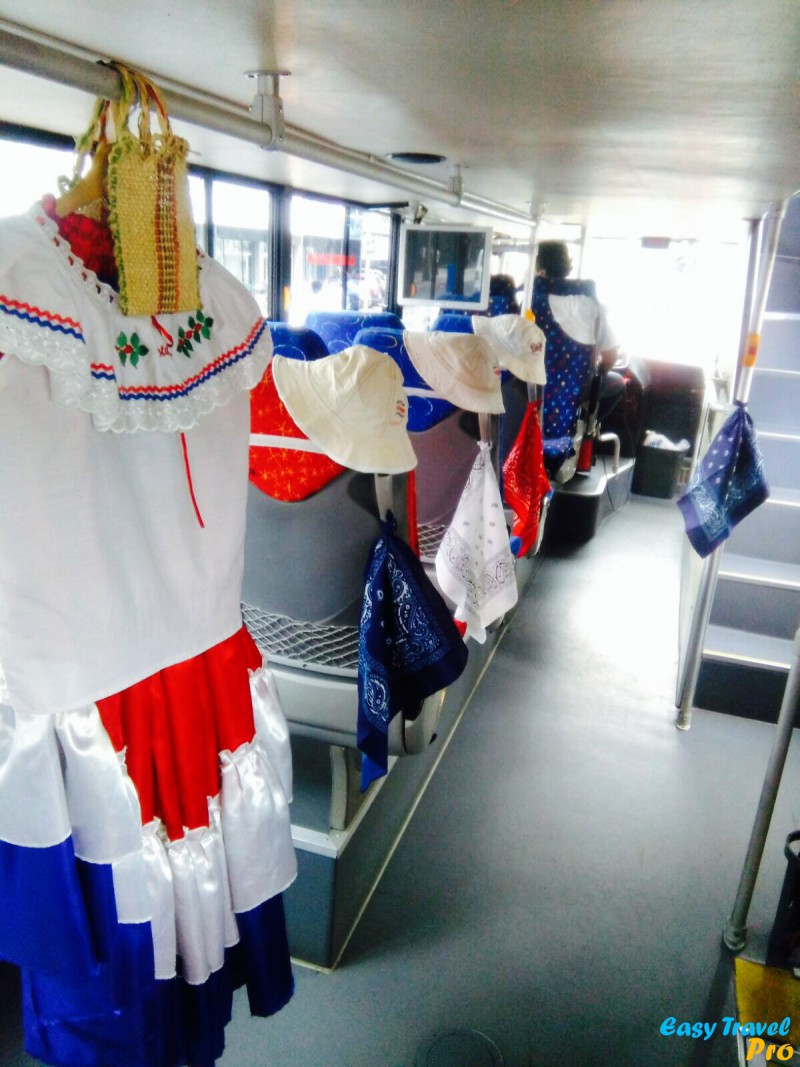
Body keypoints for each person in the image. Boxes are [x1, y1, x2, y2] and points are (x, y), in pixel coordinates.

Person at [533, 240, 625, 422]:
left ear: (539, 269)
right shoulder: (592, 305)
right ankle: (589, 426)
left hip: (531, 389)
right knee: (617, 383)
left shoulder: (530, 302)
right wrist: (592, 370)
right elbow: (611, 356)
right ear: (567, 267)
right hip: (575, 387)